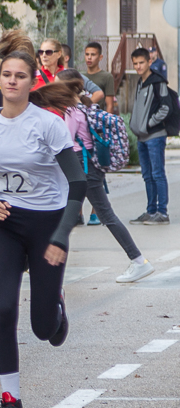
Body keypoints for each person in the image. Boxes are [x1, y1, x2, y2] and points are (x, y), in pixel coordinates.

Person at [0, 58, 86, 408]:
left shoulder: (47, 124)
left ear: (30, 82)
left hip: (47, 226)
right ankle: (11, 404)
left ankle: (56, 304)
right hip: (6, 225)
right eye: (6, 75)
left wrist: (61, 234)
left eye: (20, 76)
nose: (12, 81)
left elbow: (78, 183)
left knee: (43, 329)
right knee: (4, 310)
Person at [54, 69, 155, 283]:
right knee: (64, 215)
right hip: (89, 165)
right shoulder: (85, 106)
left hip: (82, 167)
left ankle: (138, 260)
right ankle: (40, 262)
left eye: (56, 85)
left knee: (104, 216)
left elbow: (65, 141)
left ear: (67, 88)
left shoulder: (72, 111)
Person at [128, 48, 171, 225]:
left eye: (141, 63)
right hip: (142, 137)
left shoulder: (157, 82)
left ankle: (162, 213)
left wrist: (148, 124)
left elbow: (166, 108)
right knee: (147, 175)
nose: (138, 66)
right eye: (135, 63)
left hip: (155, 136)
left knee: (157, 173)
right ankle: (151, 210)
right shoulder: (141, 82)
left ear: (149, 62)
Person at [83, 42, 116, 114]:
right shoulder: (81, 76)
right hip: (82, 116)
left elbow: (110, 105)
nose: (89, 57)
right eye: (87, 54)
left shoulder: (107, 77)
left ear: (100, 57)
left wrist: (107, 120)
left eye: (93, 54)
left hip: (98, 117)